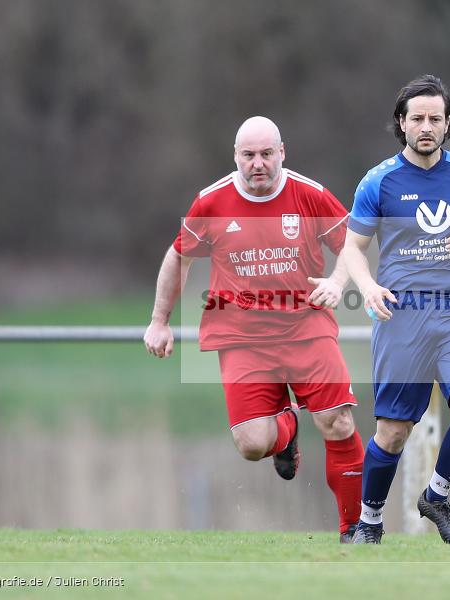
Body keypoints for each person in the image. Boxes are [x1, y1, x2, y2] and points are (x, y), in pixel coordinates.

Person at [143, 116, 365, 542]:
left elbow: (352, 243)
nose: (257, 164)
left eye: (266, 154)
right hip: (242, 334)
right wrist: (159, 321)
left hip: (306, 324)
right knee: (251, 445)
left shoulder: (309, 194)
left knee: (337, 421)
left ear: (282, 153)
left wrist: (338, 283)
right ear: (236, 157)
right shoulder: (211, 202)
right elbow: (179, 257)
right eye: (249, 155)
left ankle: (354, 529)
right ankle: (286, 432)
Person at [341, 75, 450, 544]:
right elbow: (353, 247)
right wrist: (369, 286)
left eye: (436, 118)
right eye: (417, 118)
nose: (426, 126)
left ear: (448, 124)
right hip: (402, 316)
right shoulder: (379, 180)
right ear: (401, 123)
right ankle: (370, 522)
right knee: (393, 432)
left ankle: (436, 495)